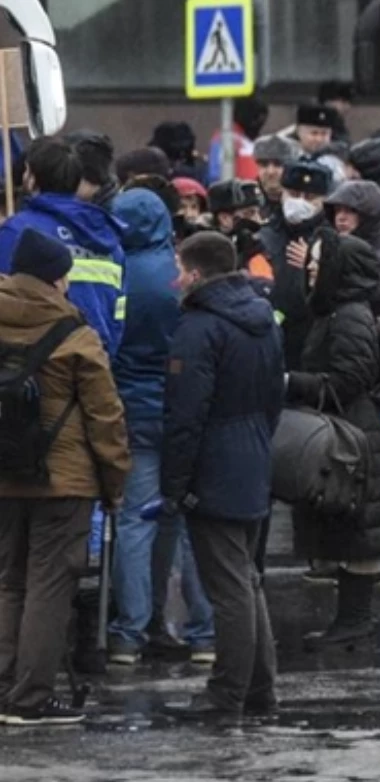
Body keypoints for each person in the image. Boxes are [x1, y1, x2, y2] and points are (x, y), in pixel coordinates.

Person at [0, 230, 130, 725]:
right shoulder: (75, 334)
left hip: (3, 474)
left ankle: (4, 685)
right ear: (57, 279)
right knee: (49, 586)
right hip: (65, 480)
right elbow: (105, 418)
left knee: (9, 582)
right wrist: (114, 485)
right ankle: (31, 697)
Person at [157, 234, 281, 720]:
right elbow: (274, 394)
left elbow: (185, 415)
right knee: (246, 580)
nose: (174, 279)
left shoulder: (199, 326)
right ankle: (258, 689)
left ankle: (227, 691)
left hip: (215, 465)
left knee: (228, 586)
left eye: (179, 269)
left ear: (195, 274)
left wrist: (175, 487)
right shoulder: (261, 319)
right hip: (252, 455)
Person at [106, 189, 214, 667]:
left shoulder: (116, 274)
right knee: (189, 518)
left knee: (135, 521)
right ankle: (204, 632)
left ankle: (129, 632)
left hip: (132, 408)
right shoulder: (181, 275)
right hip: (183, 410)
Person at [283, 230, 380, 647]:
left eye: (319, 260)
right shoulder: (334, 312)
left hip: (353, 436)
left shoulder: (349, 316)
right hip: (347, 431)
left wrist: (294, 383)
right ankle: (348, 620)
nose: (311, 266)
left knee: (358, 530)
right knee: (349, 528)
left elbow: (349, 379)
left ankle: (355, 620)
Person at [0, 138, 127, 357]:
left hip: (40, 366)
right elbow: (119, 311)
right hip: (96, 358)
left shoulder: (19, 230)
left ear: (31, 177)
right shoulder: (106, 233)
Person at [261, 162, 331, 369]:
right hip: (268, 338)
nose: (299, 202)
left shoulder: (331, 240)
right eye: (293, 194)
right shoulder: (264, 236)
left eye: (309, 198)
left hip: (312, 344)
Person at [326, 180, 380, 329]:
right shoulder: (334, 246)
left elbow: (371, 289)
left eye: (350, 211)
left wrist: (323, 270)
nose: (341, 217)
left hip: (379, 343)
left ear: (368, 214)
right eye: (338, 210)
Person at [207, 179, 272, 281]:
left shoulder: (258, 248)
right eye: (249, 213)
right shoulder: (206, 256)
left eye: (258, 213)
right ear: (224, 218)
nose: (257, 220)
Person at [206, 96, 269, 185]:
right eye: (257, 119)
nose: (260, 124)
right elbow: (215, 175)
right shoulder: (224, 139)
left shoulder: (254, 140)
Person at [252, 135, 298, 220]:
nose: (271, 172)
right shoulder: (246, 201)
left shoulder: (305, 200)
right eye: (264, 164)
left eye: (278, 164)